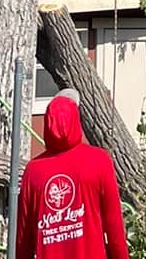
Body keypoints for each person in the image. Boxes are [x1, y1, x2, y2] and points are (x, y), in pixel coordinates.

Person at [16, 91, 130, 259]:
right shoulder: (99, 161)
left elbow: (23, 241)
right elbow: (114, 232)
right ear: (76, 120)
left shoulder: (33, 171)